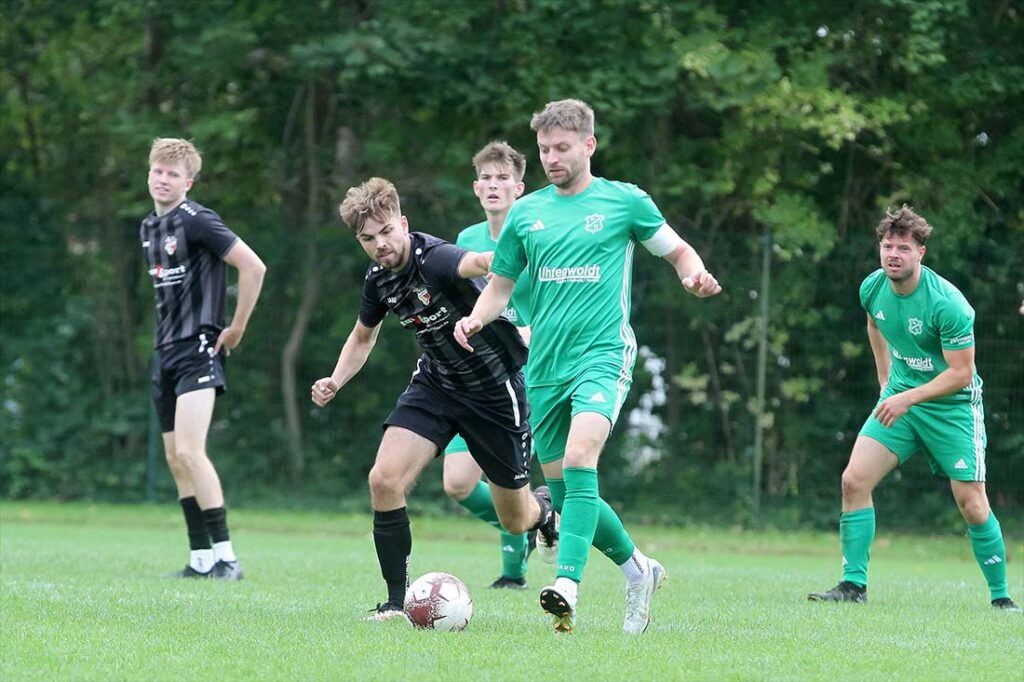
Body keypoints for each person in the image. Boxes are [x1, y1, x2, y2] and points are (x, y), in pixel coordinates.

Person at [454, 99, 721, 634]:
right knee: (573, 491)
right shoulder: (527, 214)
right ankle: (637, 569)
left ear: (588, 145)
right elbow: (500, 288)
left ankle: (567, 584)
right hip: (543, 369)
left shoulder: (625, 202)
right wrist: (475, 321)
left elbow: (678, 251)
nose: (551, 157)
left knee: (582, 456)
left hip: (603, 354)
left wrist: (694, 275)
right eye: (545, 149)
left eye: (561, 148)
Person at [311, 177, 558, 621]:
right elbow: (363, 337)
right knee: (384, 481)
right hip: (437, 385)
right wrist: (336, 379)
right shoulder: (378, 280)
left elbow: (479, 261)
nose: (380, 244)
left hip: (494, 393)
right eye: (368, 238)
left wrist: (513, 256)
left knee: (515, 520)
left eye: (387, 231)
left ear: (402, 223)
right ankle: (394, 602)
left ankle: (544, 512)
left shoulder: (437, 258)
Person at [808, 206, 1020, 611]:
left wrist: (906, 397)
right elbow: (875, 324)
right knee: (854, 481)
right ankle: (853, 586)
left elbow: (961, 373)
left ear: (921, 252)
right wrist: (887, 383)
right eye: (887, 246)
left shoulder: (949, 305)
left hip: (952, 407)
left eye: (903, 248)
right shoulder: (873, 288)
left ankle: (1001, 598)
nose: (893, 254)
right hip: (901, 398)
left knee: (972, 504)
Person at [140, 138, 266, 580]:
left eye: (173, 174)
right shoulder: (148, 228)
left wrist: (236, 327)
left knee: (192, 452)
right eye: (158, 170)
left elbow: (253, 267)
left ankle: (228, 558)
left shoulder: (197, 220)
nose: (163, 178)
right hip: (166, 354)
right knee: (175, 458)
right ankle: (200, 559)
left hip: (199, 349)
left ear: (187, 182)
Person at [442, 142, 538, 590]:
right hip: (478, 373)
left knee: (509, 486)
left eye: (503, 178)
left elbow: (552, 306)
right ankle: (521, 524)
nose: (494, 185)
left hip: (528, 374)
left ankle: (516, 567)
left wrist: (526, 335)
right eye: (487, 178)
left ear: (519, 188)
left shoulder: (539, 237)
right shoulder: (466, 240)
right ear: (476, 187)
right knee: (457, 483)